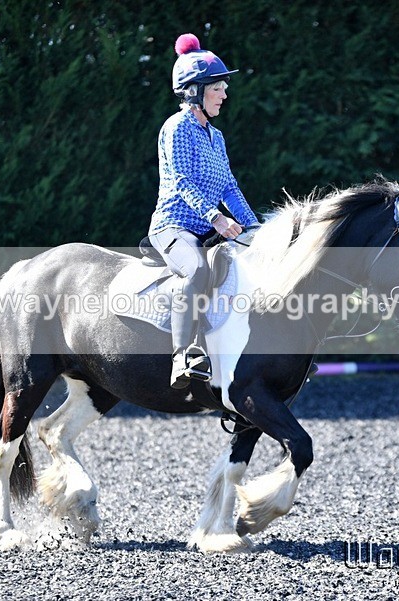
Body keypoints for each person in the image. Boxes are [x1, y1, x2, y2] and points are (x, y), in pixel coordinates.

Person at [148, 33, 260, 389]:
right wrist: (216, 217)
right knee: (196, 268)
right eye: (218, 88)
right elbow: (182, 181)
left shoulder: (216, 136)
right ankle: (182, 356)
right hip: (174, 227)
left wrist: (253, 227)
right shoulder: (177, 127)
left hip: (207, 228)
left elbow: (229, 186)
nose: (225, 94)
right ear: (195, 91)